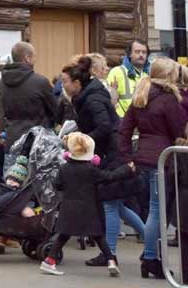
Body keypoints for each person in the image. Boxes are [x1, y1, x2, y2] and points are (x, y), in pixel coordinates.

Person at [61, 55, 144, 267]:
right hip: (113, 149)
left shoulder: (92, 98)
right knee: (117, 205)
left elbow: (104, 126)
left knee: (109, 203)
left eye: (65, 82)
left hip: (113, 151)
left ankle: (111, 254)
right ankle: (152, 241)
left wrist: (82, 140)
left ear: (77, 83)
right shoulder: (88, 95)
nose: (63, 85)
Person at [119, 56, 187, 279]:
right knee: (157, 212)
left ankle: (151, 258)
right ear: (169, 75)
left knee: (154, 210)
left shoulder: (141, 96)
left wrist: (127, 155)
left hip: (144, 159)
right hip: (163, 158)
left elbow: (125, 128)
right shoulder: (167, 99)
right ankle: (150, 258)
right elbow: (178, 128)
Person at [39, 133, 134, 277]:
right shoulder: (91, 170)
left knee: (63, 236)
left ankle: (49, 260)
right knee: (98, 235)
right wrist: (126, 169)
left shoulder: (64, 168)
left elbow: (57, 185)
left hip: (68, 207)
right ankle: (111, 261)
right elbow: (109, 177)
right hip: (89, 207)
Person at [0, 42, 57, 147]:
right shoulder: (40, 81)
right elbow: (54, 110)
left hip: (12, 137)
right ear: (27, 58)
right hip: (36, 140)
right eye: (34, 56)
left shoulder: (2, 81)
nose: (35, 60)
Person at [108, 39, 150, 118]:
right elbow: (108, 99)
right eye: (137, 52)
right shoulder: (117, 72)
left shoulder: (148, 75)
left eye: (144, 52)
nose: (141, 55)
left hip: (143, 122)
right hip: (122, 121)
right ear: (129, 54)